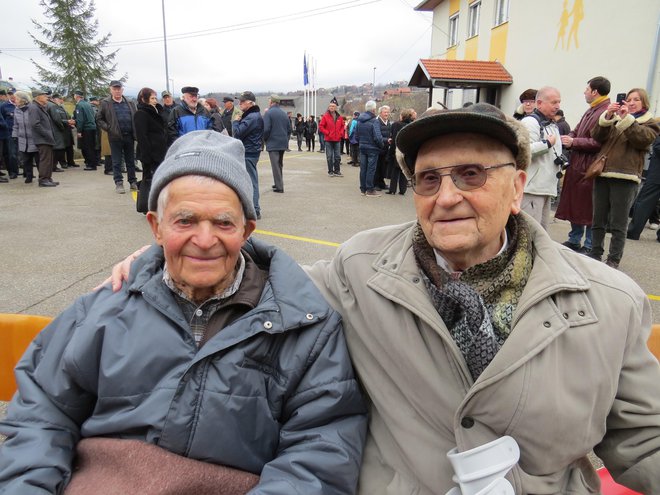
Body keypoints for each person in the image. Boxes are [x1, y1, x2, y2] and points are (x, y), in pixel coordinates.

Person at [106, 104, 660, 494]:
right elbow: (262, 276)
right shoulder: (361, 268)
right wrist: (175, 253)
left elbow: (642, 439)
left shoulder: (610, 301)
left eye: (471, 175)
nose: (447, 198)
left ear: (517, 188)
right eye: (428, 179)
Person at [0, 130, 367, 494]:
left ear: (247, 229)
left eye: (223, 222)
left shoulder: (305, 326)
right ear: (156, 227)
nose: (205, 241)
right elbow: (40, 417)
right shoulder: (100, 310)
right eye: (185, 220)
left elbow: (320, 452)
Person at [589, 87, 660, 268]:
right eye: (629, 99)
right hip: (603, 172)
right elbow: (596, 136)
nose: (631, 102)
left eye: (636, 99)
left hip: (626, 177)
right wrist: (607, 117)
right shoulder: (616, 118)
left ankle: (613, 259)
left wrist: (627, 120)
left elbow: (642, 140)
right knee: (597, 220)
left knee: (618, 223)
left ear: (644, 103)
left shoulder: (649, 123)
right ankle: (595, 254)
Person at [556, 76, 611, 253]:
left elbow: (598, 143)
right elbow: (577, 129)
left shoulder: (604, 112)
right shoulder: (593, 109)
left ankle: (588, 244)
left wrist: (574, 142)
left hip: (590, 165)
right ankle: (574, 239)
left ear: (595, 91)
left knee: (588, 208)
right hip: (579, 163)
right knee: (577, 205)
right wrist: (570, 137)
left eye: (587, 89)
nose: (584, 92)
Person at [520, 86, 563, 229]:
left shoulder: (552, 125)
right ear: (539, 103)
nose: (557, 106)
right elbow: (524, 150)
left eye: (559, 102)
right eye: (553, 102)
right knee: (529, 232)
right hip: (532, 189)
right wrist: (547, 144)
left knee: (542, 235)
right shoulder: (530, 122)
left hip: (546, 187)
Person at [96, 80, 138, 194]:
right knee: (116, 161)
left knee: (131, 160)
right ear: (110, 90)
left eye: (119, 89)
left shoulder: (129, 102)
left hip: (129, 136)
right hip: (115, 136)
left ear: (122, 89)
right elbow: (99, 119)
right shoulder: (106, 103)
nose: (117, 91)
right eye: (115, 89)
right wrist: (109, 128)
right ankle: (119, 183)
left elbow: (136, 116)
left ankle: (133, 182)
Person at [232, 91, 264, 220]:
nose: (240, 103)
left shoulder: (252, 117)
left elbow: (237, 133)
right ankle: (253, 209)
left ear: (250, 103)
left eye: (242, 101)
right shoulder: (253, 116)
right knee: (250, 180)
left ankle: (255, 210)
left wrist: (235, 122)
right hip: (251, 151)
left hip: (249, 152)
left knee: (251, 181)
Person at [628, 135, 660, 242]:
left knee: (644, 202)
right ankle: (633, 232)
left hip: (656, 173)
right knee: (644, 203)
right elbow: (657, 146)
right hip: (657, 174)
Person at [133, 87, 167, 183]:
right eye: (152, 98)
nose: (155, 101)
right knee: (150, 180)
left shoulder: (157, 112)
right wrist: (146, 156)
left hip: (160, 152)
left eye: (155, 98)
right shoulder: (141, 114)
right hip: (150, 154)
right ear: (143, 99)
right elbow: (141, 136)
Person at [28, 89, 58, 188]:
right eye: (44, 95)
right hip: (42, 139)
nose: (47, 97)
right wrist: (46, 134)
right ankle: (43, 180)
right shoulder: (34, 108)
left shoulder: (40, 107)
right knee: (45, 160)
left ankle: (48, 178)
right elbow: (35, 124)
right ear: (38, 97)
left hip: (46, 138)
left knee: (49, 159)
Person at [357, 100, 385, 196]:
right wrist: (381, 145)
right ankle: (370, 189)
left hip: (362, 147)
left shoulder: (359, 120)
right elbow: (378, 137)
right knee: (371, 169)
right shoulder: (374, 121)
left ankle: (363, 189)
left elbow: (356, 134)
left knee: (363, 168)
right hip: (372, 148)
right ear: (374, 109)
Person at [262, 95, 290, 193]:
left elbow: (266, 129)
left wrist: (264, 140)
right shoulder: (284, 113)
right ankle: (278, 183)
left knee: (275, 165)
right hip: (283, 142)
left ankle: (279, 187)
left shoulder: (268, 113)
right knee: (279, 164)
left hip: (273, 142)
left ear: (272, 102)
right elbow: (289, 129)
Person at [386, 108, 416, 195]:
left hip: (398, 149)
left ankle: (392, 190)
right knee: (404, 169)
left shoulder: (396, 125)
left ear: (402, 116)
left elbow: (394, 139)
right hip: (407, 150)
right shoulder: (411, 125)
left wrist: (390, 153)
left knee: (395, 170)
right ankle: (402, 190)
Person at [11, 91, 38, 184]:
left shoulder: (32, 108)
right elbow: (15, 125)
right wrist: (14, 135)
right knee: (26, 160)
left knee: (38, 159)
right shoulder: (16, 110)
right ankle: (29, 176)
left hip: (33, 138)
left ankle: (42, 176)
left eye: (17, 99)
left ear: (23, 100)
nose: (15, 100)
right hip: (22, 139)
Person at [47, 93, 76, 171]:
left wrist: (69, 122)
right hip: (59, 130)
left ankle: (68, 163)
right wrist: (67, 122)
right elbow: (56, 119)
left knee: (65, 148)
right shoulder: (53, 106)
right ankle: (56, 165)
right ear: (54, 99)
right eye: (59, 99)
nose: (61, 100)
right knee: (58, 149)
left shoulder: (60, 107)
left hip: (65, 130)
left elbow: (65, 116)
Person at [73, 91, 99, 172]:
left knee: (87, 147)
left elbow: (80, 119)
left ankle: (91, 165)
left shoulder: (79, 105)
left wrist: (79, 131)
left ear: (76, 96)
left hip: (86, 128)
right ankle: (93, 163)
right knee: (91, 146)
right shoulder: (88, 104)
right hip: (92, 127)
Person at [319, 98, 344, 177]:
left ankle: (337, 170)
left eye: (333, 106)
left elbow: (343, 127)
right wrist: (328, 133)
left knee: (337, 156)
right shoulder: (325, 116)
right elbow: (321, 126)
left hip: (337, 140)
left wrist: (340, 133)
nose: (331, 107)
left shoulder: (339, 117)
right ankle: (330, 171)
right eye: (330, 106)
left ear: (336, 107)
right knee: (329, 156)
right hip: (328, 140)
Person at [0, 89, 19, 180]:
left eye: (13, 94)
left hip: (22, 133)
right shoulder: (4, 106)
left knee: (22, 153)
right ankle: (12, 172)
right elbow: (2, 119)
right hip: (10, 133)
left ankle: (26, 172)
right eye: (10, 94)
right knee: (11, 153)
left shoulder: (21, 104)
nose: (12, 95)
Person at [373, 105, 392, 190]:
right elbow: (377, 136)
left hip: (385, 148)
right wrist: (386, 140)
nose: (386, 114)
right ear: (380, 113)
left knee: (383, 167)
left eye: (388, 112)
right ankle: (376, 184)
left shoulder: (388, 122)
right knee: (377, 166)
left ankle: (381, 183)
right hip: (378, 147)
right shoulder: (377, 121)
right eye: (385, 112)